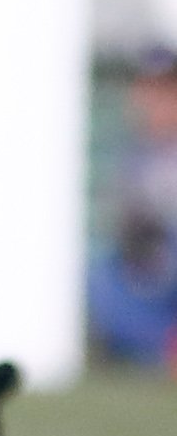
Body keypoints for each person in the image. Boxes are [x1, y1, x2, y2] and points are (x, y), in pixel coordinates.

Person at [91, 40, 177, 371]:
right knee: (101, 278)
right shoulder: (133, 157)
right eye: (147, 88)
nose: (152, 100)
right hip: (149, 272)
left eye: (163, 90)